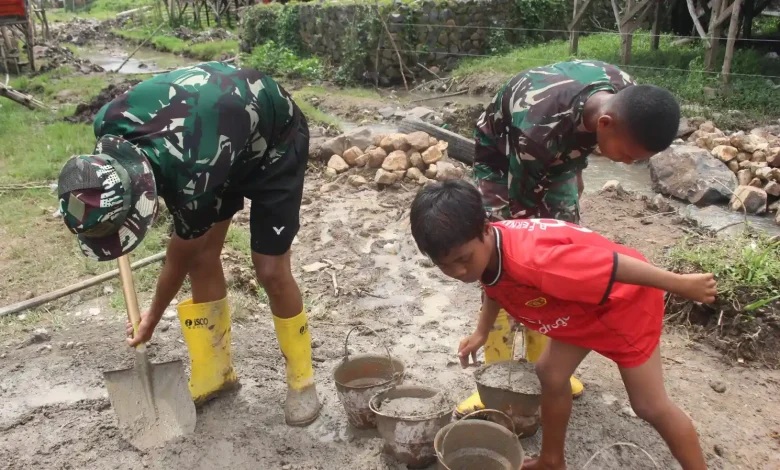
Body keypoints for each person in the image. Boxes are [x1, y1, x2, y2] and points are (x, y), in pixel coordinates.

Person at [56, 61, 321, 426]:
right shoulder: (107, 125)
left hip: (272, 134)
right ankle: (216, 373)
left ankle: (302, 381)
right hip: (216, 133)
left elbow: (178, 256)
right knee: (203, 257)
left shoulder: (192, 177)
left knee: (270, 269)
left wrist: (151, 318)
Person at [410, 180, 714, 470]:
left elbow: (614, 265)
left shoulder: (532, 260)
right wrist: (481, 332)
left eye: (463, 259)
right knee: (551, 374)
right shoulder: (488, 251)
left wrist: (680, 284)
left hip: (623, 304)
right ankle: (552, 462)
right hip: (579, 307)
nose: (458, 272)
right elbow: (493, 287)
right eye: (445, 265)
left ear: (486, 229)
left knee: (650, 406)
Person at [457, 59, 682, 416]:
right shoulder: (537, 133)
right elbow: (524, 225)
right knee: (502, 263)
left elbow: (582, 146)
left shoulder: (626, 94)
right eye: (626, 155)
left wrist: (573, 172)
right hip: (504, 156)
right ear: (605, 124)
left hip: (555, 148)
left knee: (564, 252)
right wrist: (526, 272)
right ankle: (495, 379)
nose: (627, 164)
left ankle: (545, 368)